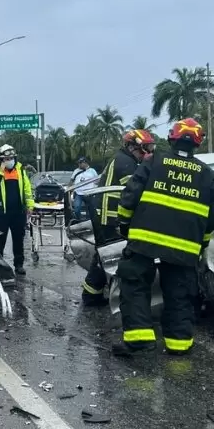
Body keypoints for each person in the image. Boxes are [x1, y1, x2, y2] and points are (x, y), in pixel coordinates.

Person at [113, 118, 214, 357]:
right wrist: (201, 245)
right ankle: (179, 344)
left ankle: (138, 339)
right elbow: (212, 219)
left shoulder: (154, 162)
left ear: (172, 138)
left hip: (144, 241)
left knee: (134, 285)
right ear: (197, 143)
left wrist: (123, 225)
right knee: (180, 294)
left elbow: (130, 196)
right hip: (183, 249)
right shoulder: (208, 175)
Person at [81, 130, 154, 305]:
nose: (148, 152)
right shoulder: (126, 163)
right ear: (132, 146)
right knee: (108, 255)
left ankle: (92, 292)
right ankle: (92, 294)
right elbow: (134, 192)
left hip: (108, 215)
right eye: (145, 148)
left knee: (103, 255)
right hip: (111, 217)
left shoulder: (124, 159)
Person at [0, 144, 34, 275]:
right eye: (6, 159)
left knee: (18, 239)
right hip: (2, 212)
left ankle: (18, 264)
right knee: (0, 240)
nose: (9, 161)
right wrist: (1, 171)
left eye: (11, 158)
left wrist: (30, 205)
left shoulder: (20, 170)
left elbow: (27, 189)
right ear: (1, 159)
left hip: (18, 212)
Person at [69, 157, 99, 222]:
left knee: (90, 209)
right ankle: (79, 220)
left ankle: (88, 222)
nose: (79, 165)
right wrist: (69, 189)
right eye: (78, 163)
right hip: (78, 193)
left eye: (80, 163)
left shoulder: (92, 171)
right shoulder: (76, 171)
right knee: (76, 208)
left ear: (85, 163)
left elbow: (97, 181)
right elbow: (71, 181)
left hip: (89, 193)